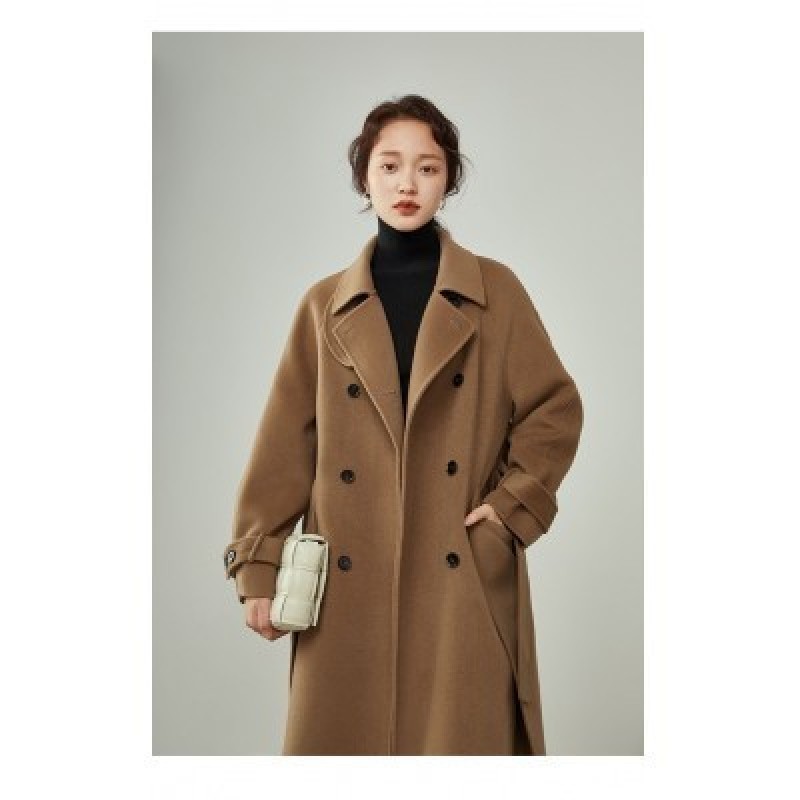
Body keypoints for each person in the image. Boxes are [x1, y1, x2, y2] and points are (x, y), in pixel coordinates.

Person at [223, 94, 584, 755]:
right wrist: (259, 565)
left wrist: (509, 509)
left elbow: (553, 408)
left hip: (459, 575)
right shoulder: (324, 306)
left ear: (449, 180)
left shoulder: (495, 293)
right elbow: (284, 442)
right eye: (389, 166)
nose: (407, 184)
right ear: (364, 177)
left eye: (427, 167)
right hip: (346, 582)